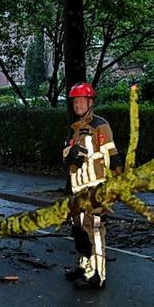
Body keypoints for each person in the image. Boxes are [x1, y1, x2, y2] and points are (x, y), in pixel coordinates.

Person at [62, 82, 116, 289]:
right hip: (77, 190)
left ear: (90, 102)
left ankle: (99, 274)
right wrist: (70, 156)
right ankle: (84, 266)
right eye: (75, 101)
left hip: (95, 188)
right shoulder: (74, 130)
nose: (77, 105)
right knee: (78, 230)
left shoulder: (100, 126)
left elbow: (113, 156)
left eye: (81, 101)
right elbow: (65, 156)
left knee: (94, 229)